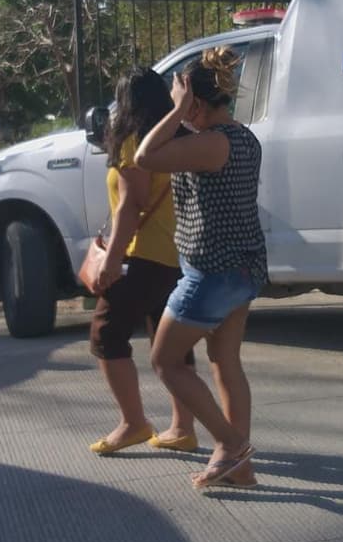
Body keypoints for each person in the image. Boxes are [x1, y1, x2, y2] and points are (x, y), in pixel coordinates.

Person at [135, 47, 267, 491]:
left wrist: (175, 111)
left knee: (165, 361)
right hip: (242, 268)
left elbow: (145, 156)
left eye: (181, 97)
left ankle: (231, 446)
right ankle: (239, 469)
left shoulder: (212, 143)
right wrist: (182, 109)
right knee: (224, 362)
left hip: (211, 272)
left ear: (194, 101)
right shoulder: (244, 137)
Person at [87, 67, 199, 456]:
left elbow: (131, 206)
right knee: (171, 343)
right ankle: (182, 428)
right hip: (177, 254)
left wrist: (111, 261)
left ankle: (133, 423)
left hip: (141, 255)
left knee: (105, 334)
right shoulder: (179, 139)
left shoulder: (133, 140)